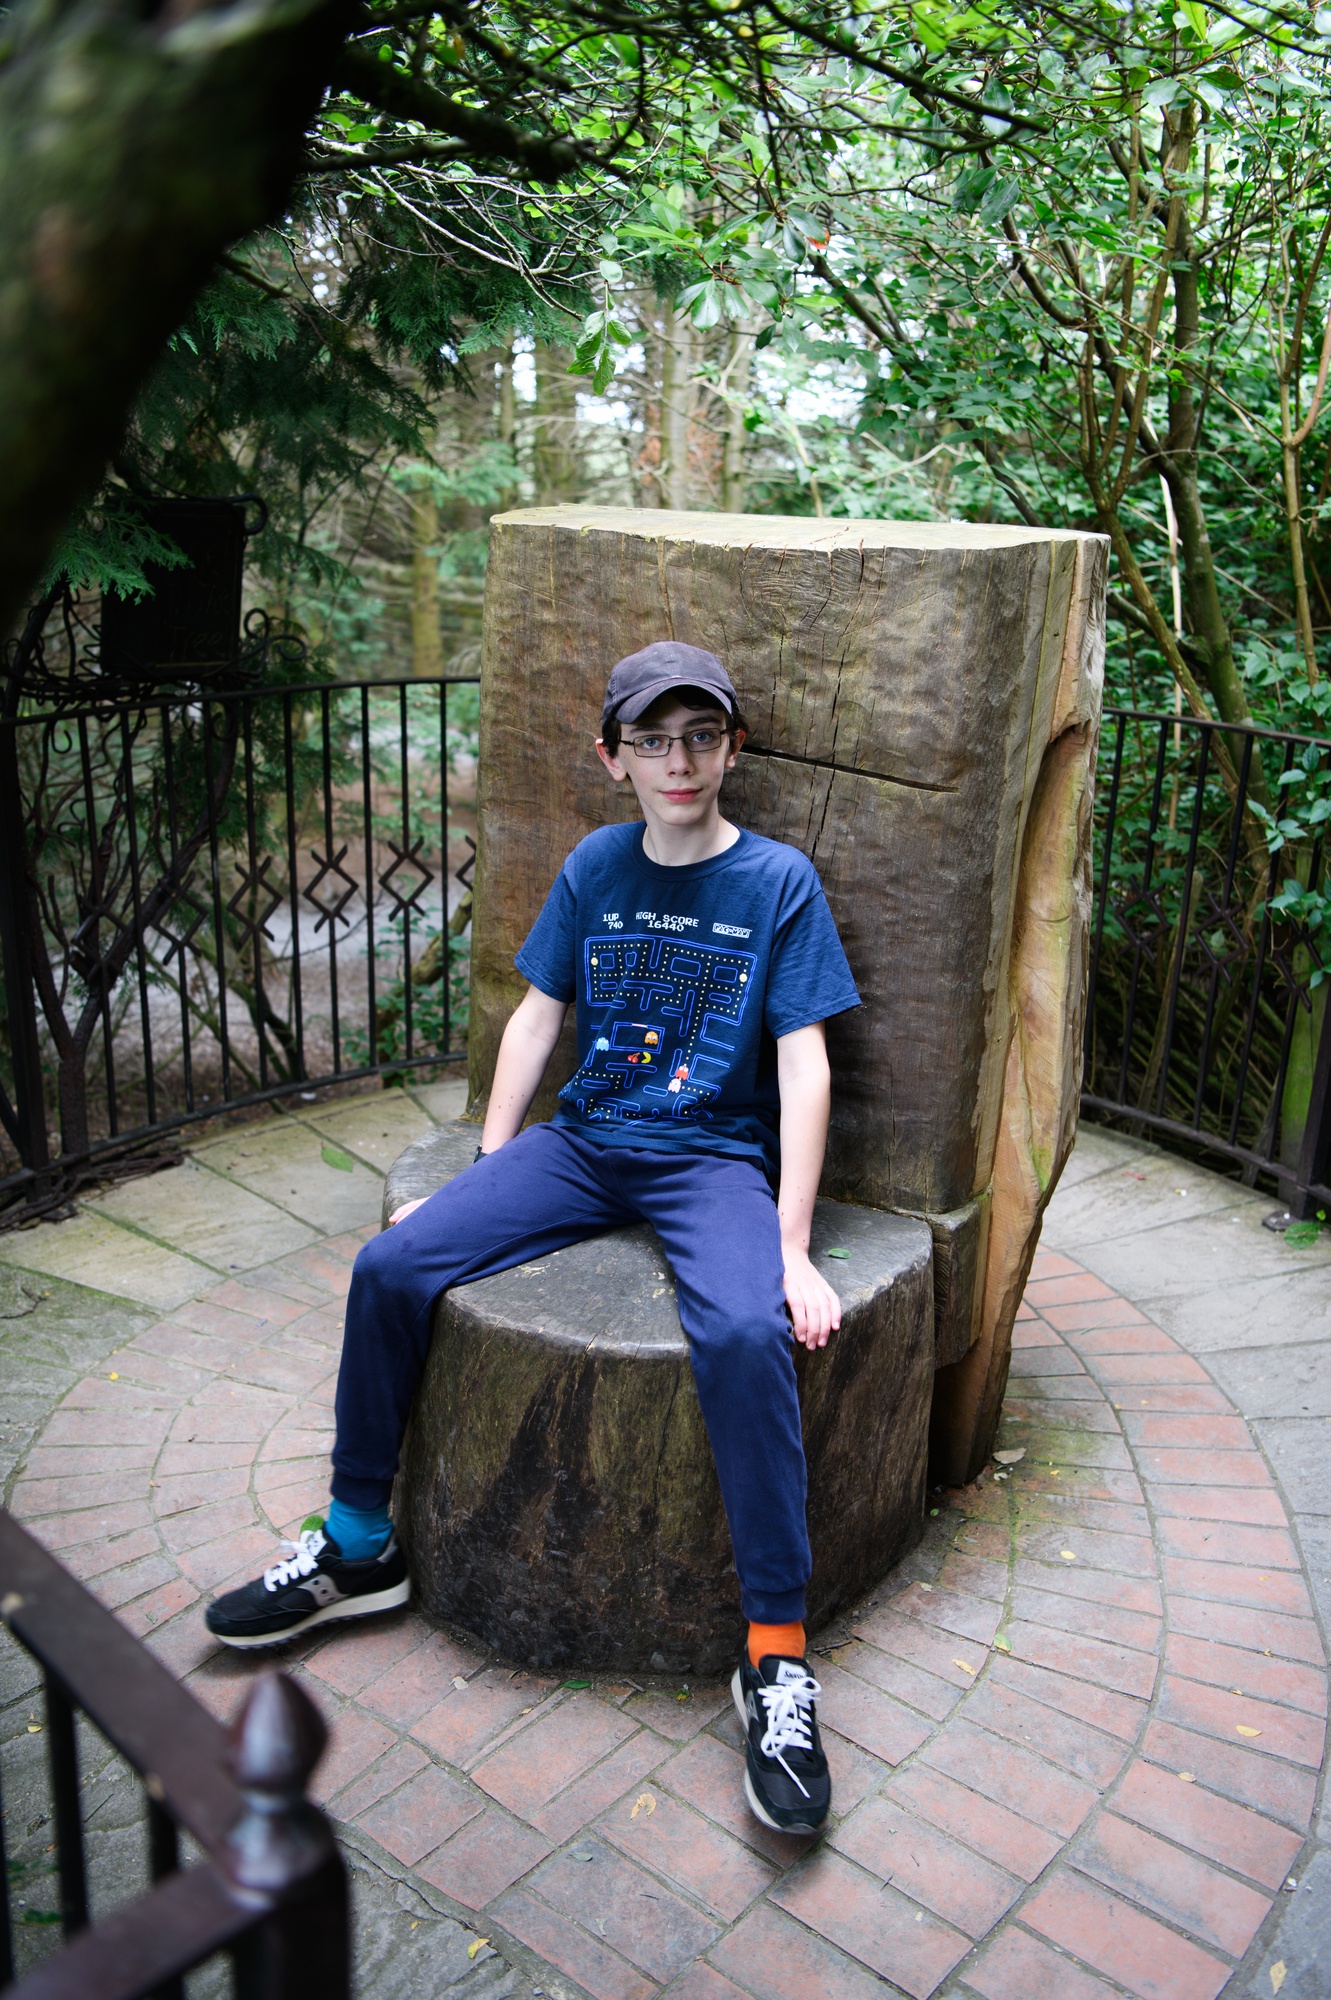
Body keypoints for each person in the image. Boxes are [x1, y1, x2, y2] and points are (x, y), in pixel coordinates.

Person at [205, 639, 861, 1836]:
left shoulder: (776, 881)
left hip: (709, 1160)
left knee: (741, 1332)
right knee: (391, 1263)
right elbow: (535, 1015)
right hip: (584, 1139)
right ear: (613, 757)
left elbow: (803, 1062)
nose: (678, 761)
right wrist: (488, 1168)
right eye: (652, 740)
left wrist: (788, 1244)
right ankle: (358, 1540)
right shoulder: (594, 866)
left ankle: (773, 1650)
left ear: (732, 747)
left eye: (699, 737)